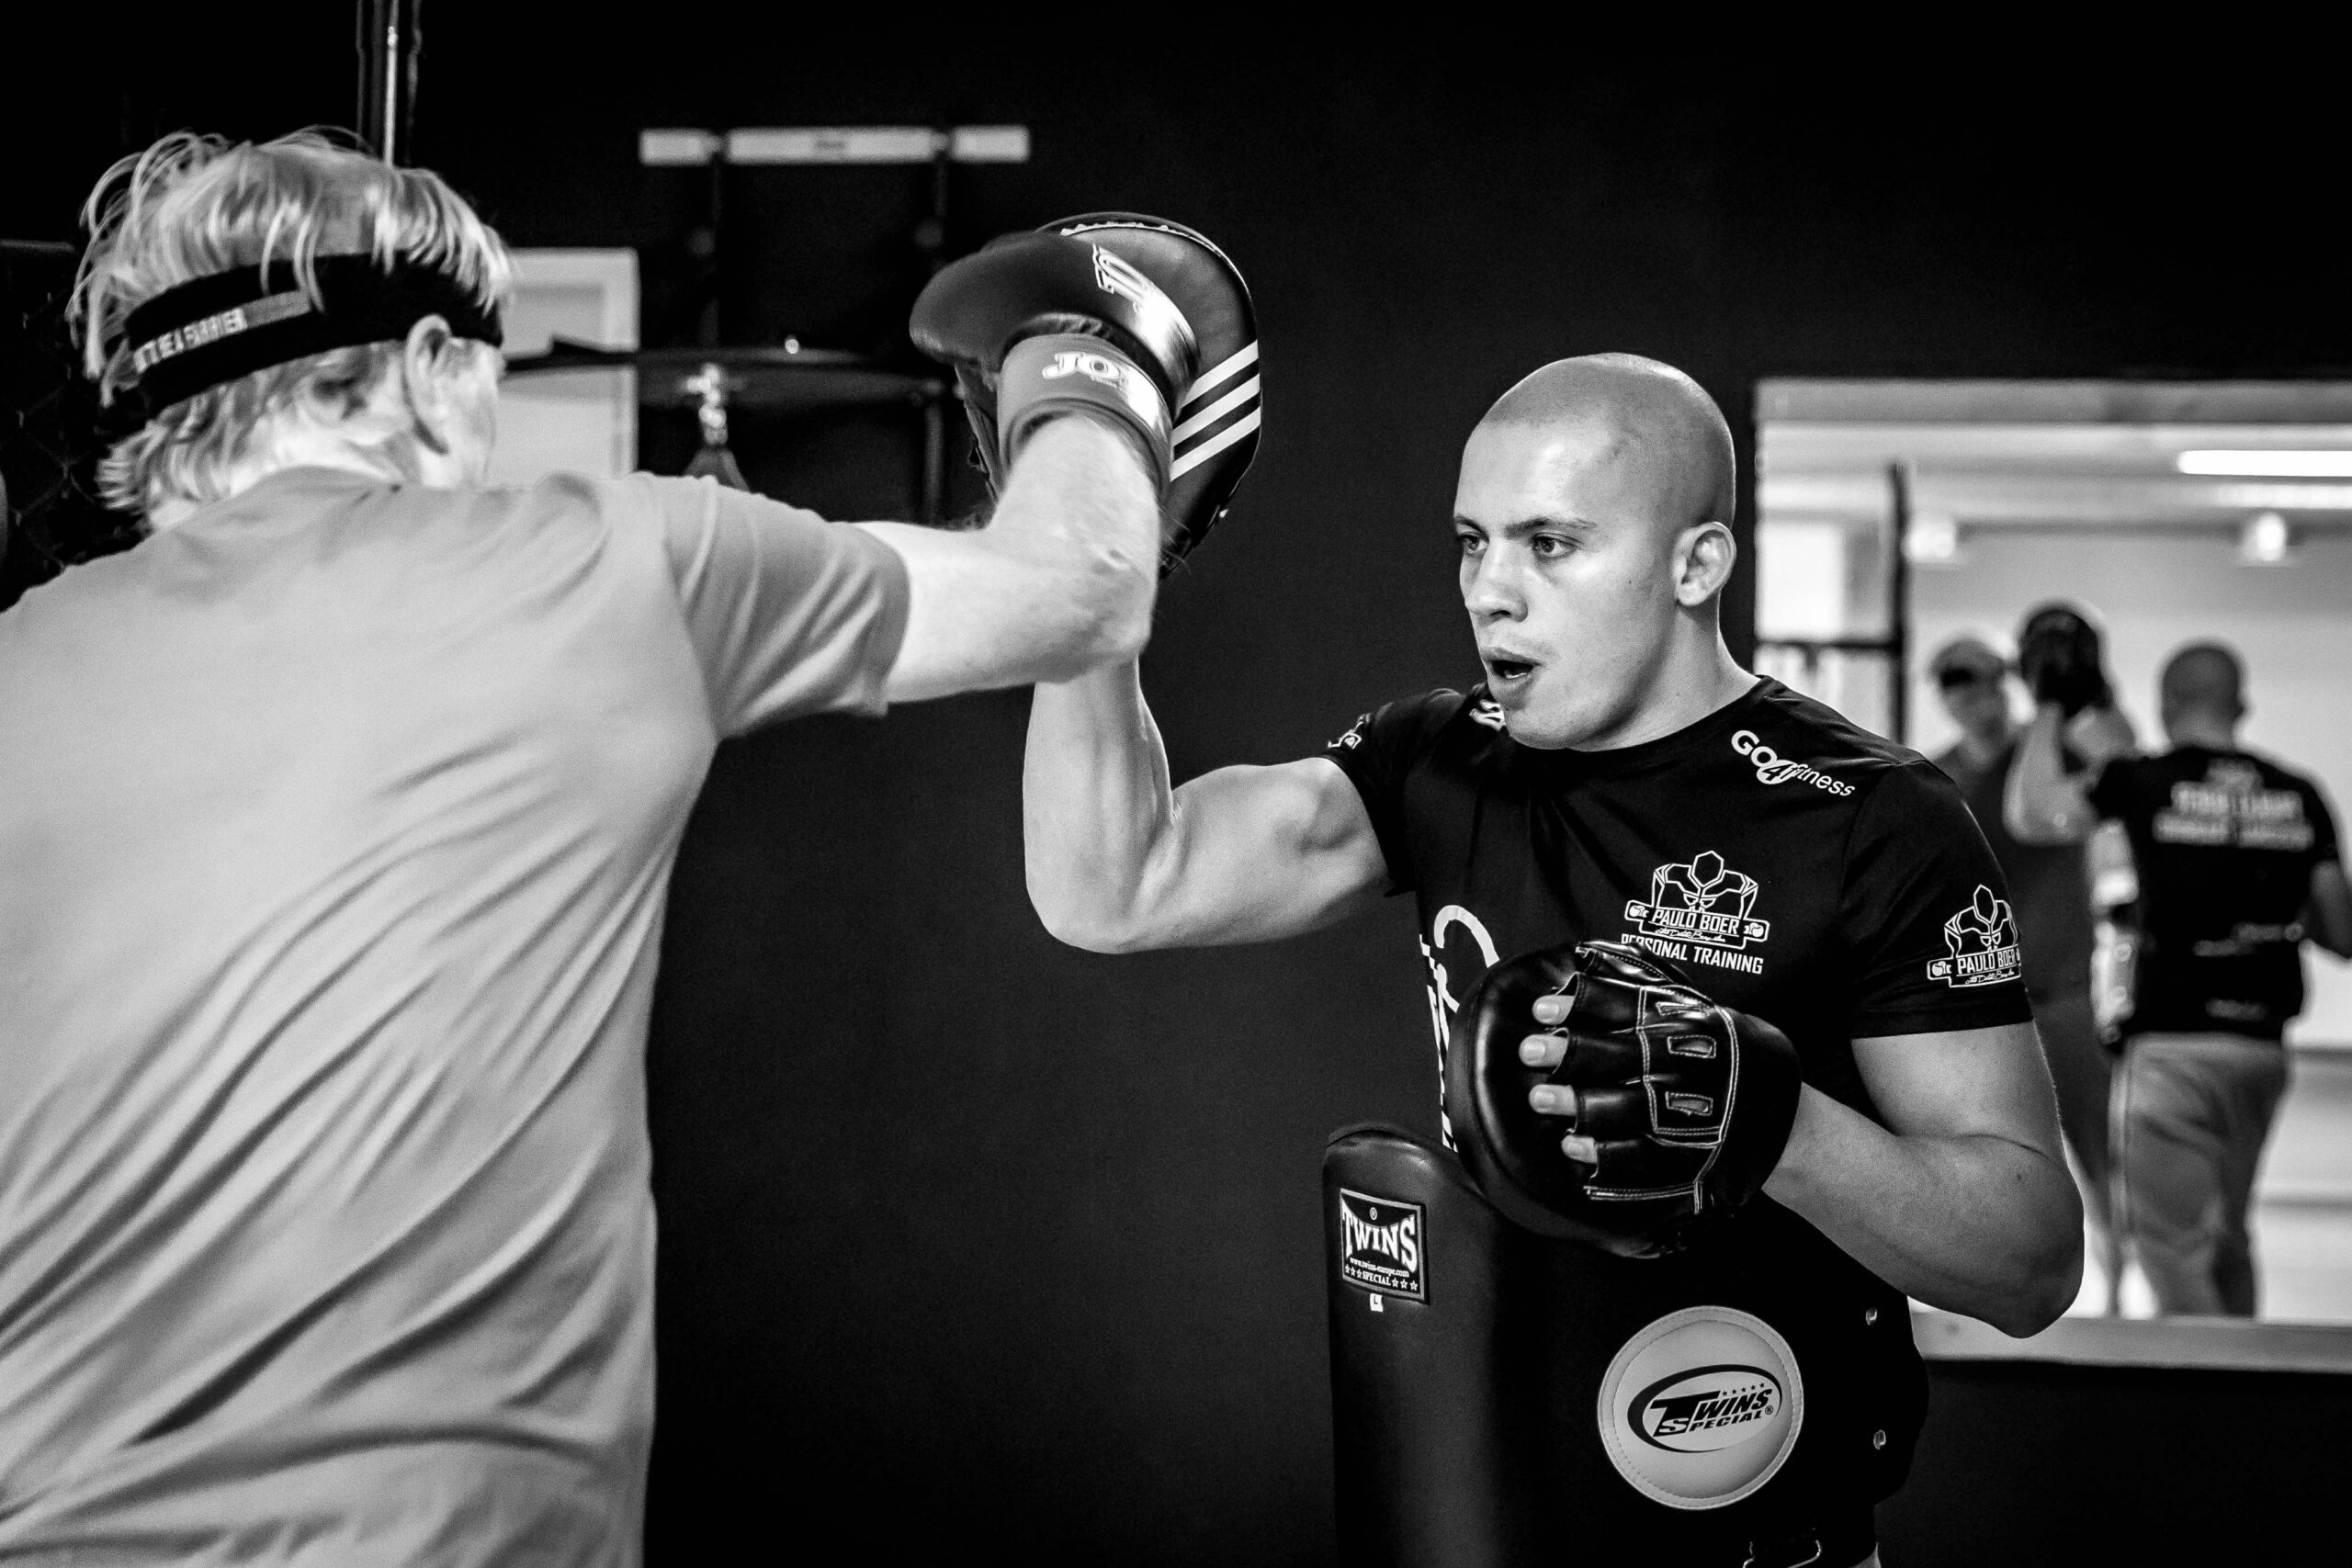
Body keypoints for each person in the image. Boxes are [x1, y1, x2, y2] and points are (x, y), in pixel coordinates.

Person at [0, 130, 1202, 1563]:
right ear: (436, 372)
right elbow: (1079, 586)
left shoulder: (18, 663)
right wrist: (1091, 345)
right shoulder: (612, 561)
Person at [1023, 353, 2081, 1566]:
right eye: (1474, 542)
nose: (1491, 591)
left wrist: (1769, 1121)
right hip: (1485, 1514)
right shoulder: (1444, 757)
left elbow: (2031, 1258)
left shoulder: (1871, 817)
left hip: (1760, 1531)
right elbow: (1112, 883)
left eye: (1550, 543)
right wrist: (1090, 583)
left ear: (1696, 565)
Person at [2010, 641, 2352, 1315]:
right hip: (2260, 1050)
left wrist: (2050, 706)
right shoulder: (2298, 793)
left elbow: (2033, 809)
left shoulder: (2142, 782)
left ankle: (2215, 1404)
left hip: (2170, 1050)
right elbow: (2342, 932)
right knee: (2228, 1235)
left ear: (2166, 706)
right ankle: (2250, 1387)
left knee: (2168, 1247)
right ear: (2242, 705)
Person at [1926, 630, 2124, 1304]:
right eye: (1961, 683)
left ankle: (2121, 1283)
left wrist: (2061, 694)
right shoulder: (1936, 778)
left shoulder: (2044, 757)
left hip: (2065, 993)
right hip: (1988, 1004)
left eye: (1988, 679)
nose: (1977, 696)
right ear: (1945, 696)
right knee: (1983, 1154)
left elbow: (2121, 756)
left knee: (2100, 1153)